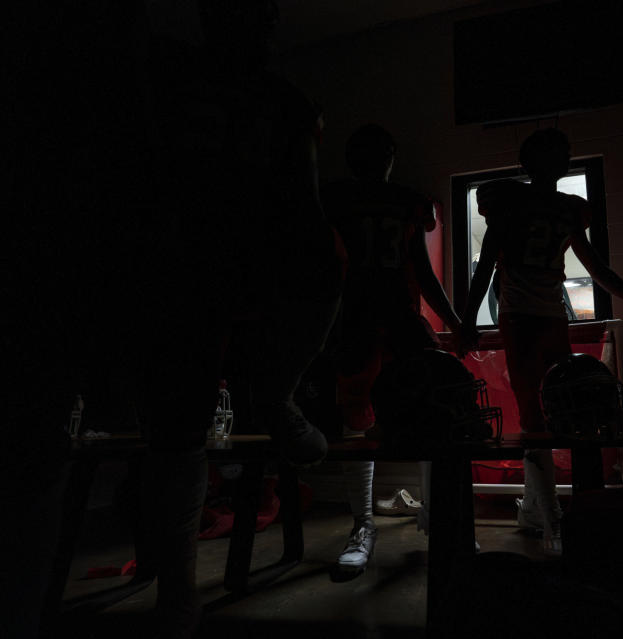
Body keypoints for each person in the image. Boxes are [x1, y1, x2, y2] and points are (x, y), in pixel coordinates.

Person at [139, 0, 344, 633]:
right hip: (196, 259)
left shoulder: (266, 97)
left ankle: (177, 597)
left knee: (179, 429)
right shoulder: (195, 83)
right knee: (178, 428)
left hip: (227, 260)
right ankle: (176, 594)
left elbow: (307, 213)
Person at [459, 128, 623, 554]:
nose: (565, 160)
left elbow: (490, 267)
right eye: (559, 154)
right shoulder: (552, 210)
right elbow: (488, 265)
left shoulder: (531, 208)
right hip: (530, 316)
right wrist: (468, 320)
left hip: (543, 316)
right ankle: (551, 520)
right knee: (543, 419)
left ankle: (538, 510)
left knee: (556, 416)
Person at [320, 124, 462, 575]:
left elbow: (419, 266)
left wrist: (456, 321)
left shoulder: (357, 198)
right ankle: (363, 524)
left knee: (430, 413)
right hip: (360, 316)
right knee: (357, 422)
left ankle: (429, 518)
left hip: (388, 315)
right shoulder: (379, 200)